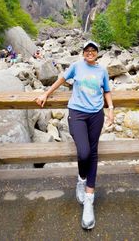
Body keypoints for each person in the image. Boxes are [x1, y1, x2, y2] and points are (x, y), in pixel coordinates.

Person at [35, 40, 114, 230]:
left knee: (93, 153)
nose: (90, 52)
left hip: (96, 115)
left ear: (97, 53)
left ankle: (89, 200)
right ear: (83, 52)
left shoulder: (102, 71)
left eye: (93, 50)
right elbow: (61, 80)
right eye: (87, 50)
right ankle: (81, 179)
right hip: (77, 114)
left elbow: (107, 90)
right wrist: (46, 94)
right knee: (84, 152)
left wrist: (110, 108)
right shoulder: (76, 66)